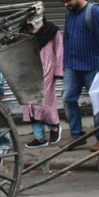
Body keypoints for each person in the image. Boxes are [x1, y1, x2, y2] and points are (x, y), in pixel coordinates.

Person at [59, 0, 99, 151]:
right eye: (64, 2)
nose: (66, 4)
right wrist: (65, 63)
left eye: (69, 0)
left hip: (94, 66)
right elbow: (67, 38)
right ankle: (77, 136)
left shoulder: (95, 12)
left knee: (98, 103)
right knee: (68, 98)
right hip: (73, 66)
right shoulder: (70, 14)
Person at [23, 14, 64, 148]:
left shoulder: (52, 30)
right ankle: (39, 138)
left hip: (47, 68)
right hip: (29, 70)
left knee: (43, 102)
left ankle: (54, 127)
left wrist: (58, 71)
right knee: (30, 104)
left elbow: (59, 50)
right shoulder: (25, 31)